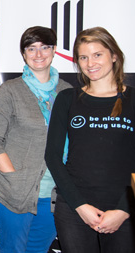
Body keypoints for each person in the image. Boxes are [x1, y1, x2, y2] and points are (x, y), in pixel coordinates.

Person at [45, 27, 135, 252]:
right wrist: (80, 206)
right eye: (83, 57)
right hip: (74, 208)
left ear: (113, 55)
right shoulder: (67, 98)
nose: (90, 63)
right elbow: (53, 157)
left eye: (97, 55)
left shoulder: (133, 99)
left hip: (124, 208)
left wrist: (124, 210)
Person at [0, 26, 71, 252]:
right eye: (31, 48)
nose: (39, 54)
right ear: (24, 54)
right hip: (13, 193)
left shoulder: (67, 92)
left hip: (53, 194)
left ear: (54, 51)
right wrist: (13, 179)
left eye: (45, 47)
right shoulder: (10, 91)